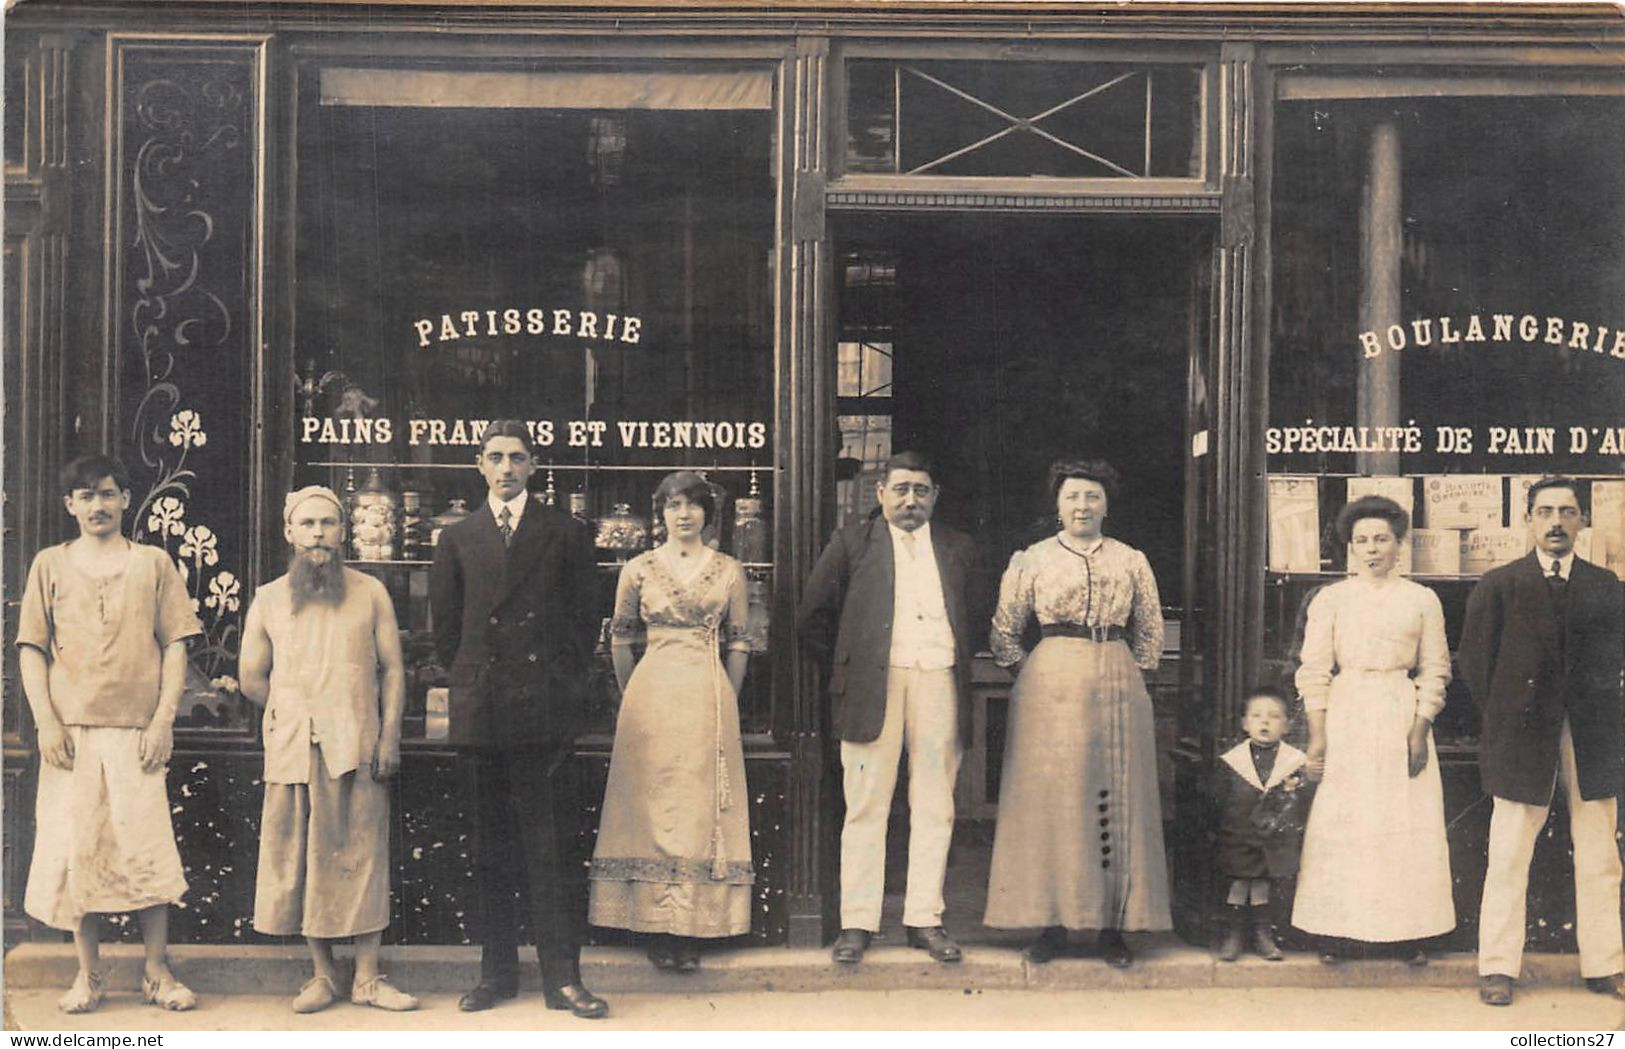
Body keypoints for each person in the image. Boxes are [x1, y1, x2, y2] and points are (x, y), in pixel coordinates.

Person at [428, 420, 607, 1019]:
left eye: (517, 458)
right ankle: (496, 974)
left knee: (552, 848)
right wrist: (475, 683)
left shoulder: (565, 532)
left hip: (543, 714)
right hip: (483, 713)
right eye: (495, 457)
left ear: (534, 466)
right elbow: (447, 634)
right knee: (488, 850)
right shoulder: (457, 538)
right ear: (479, 466)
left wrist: (560, 689)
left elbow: (586, 627)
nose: (506, 468)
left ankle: (564, 980)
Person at [17, 454, 202, 1014]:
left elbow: (176, 644)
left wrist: (163, 720)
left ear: (126, 499)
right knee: (80, 852)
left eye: (107, 494)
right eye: (85, 495)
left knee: (144, 848)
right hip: (71, 736)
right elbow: (31, 649)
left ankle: (156, 970)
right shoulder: (50, 564)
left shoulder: (153, 564)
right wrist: (47, 722)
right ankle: (88, 974)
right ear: (69, 506)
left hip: (136, 734)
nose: (97, 505)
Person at [238, 486, 417, 1013]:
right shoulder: (269, 597)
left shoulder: (371, 592)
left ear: (343, 533)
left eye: (329, 524)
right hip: (295, 744)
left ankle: (366, 977)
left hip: (359, 742)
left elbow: (395, 670)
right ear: (289, 532)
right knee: (304, 857)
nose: (318, 533)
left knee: (361, 854)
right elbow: (250, 675)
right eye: (308, 523)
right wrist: (291, 706)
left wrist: (389, 736)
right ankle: (323, 975)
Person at [983, 458, 1168, 968]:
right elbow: (1003, 631)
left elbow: (1150, 630)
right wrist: (1035, 672)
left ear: (1107, 504)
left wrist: (1136, 675)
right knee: (1055, 800)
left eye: (1092, 496)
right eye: (1072, 497)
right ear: (1057, 505)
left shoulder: (1131, 560)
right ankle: (1053, 923)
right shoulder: (1032, 559)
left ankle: (1112, 927)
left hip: (1117, 678)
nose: (1082, 506)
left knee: (1113, 799)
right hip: (1050, 679)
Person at [796, 450, 978, 966]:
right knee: (866, 804)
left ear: (935, 496)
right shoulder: (853, 542)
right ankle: (857, 922)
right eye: (900, 489)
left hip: (939, 680)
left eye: (921, 490)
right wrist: (855, 664)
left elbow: (974, 613)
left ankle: (925, 918)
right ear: (881, 494)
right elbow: (813, 617)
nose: (910, 500)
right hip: (871, 689)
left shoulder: (958, 547)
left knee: (935, 802)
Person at [1460, 476, 1624, 1006]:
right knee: (1508, 852)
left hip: (1592, 733)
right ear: (1528, 520)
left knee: (1600, 851)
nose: (1556, 522)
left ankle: (1604, 965)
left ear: (1581, 521)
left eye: (1567, 512)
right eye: (1545, 511)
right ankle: (1497, 969)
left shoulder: (1606, 586)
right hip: (1521, 734)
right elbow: (1475, 664)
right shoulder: (1499, 584)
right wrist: (1509, 717)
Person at [588, 472, 756, 971]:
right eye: (673, 505)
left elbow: (740, 641)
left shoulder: (729, 570)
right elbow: (620, 639)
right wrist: (633, 692)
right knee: (651, 800)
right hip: (651, 694)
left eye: (693, 506)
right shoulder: (638, 569)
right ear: (660, 513)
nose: (683, 515)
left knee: (698, 804)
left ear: (708, 513)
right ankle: (653, 924)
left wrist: (728, 696)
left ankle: (692, 927)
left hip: (707, 692)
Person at [1291, 495, 1454, 962]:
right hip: (1348, 714)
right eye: (1361, 540)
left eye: (1381, 538)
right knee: (1346, 823)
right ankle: (1336, 932)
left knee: (1403, 821)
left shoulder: (1422, 599)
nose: (1371, 549)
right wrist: (1319, 735)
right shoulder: (1332, 599)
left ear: (1399, 543)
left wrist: (1420, 729)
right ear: (1349, 546)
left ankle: (1410, 933)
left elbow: (1435, 669)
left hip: (1400, 711)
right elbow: (1314, 670)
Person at [1211, 687, 1310, 962]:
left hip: (1272, 839)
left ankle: (1262, 935)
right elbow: (1221, 801)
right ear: (1245, 723)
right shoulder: (1233, 761)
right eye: (1256, 716)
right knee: (1240, 883)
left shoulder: (1292, 762)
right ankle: (1234, 935)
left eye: (1274, 717)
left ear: (1288, 725)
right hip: (1240, 835)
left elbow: (1298, 802)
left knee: (1262, 885)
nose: (1264, 722)